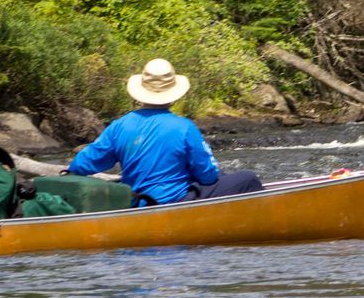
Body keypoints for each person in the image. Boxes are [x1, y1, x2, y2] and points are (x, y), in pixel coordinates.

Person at [66, 59, 265, 205]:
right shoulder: (185, 127)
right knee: (247, 178)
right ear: (173, 95)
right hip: (173, 201)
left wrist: (70, 171)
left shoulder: (120, 125)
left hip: (137, 202)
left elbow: (85, 162)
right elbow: (208, 176)